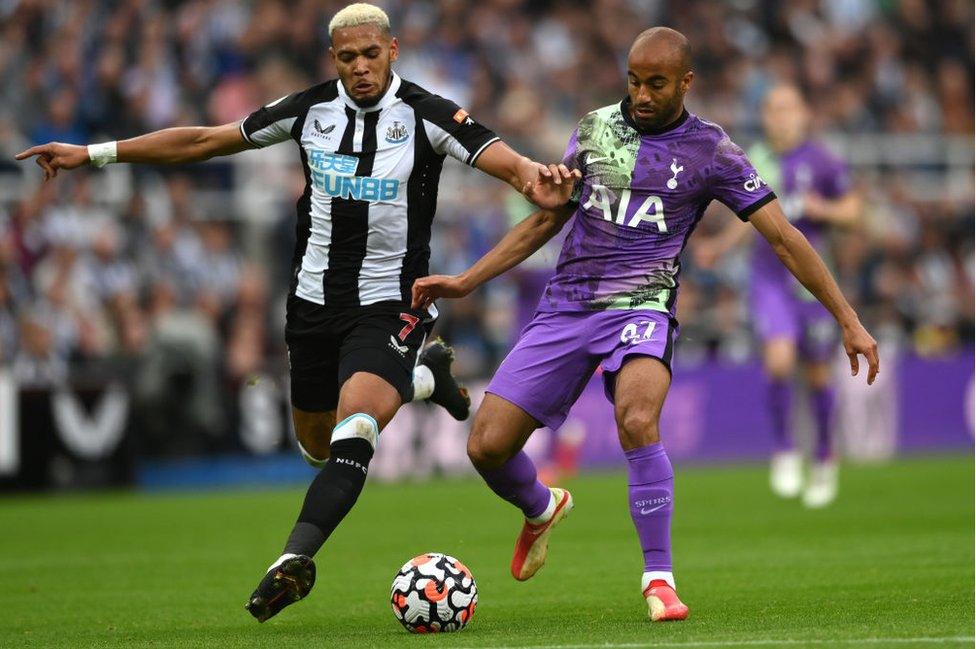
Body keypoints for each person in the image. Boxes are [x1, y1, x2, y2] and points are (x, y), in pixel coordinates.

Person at [15, 2, 578, 623]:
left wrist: (533, 177)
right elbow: (205, 140)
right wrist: (93, 153)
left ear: (393, 51)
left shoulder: (429, 115)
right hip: (312, 306)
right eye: (347, 57)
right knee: (316, 444)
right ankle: (426, 378)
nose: (360, 68)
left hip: (393, 302)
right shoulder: (309, 110)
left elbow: (506, 159)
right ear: (331, 58)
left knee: (355, 430)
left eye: (370, 54)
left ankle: (294, 559)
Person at [412, 27, 879, 622]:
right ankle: (540, 506)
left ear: (686, 82)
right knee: (486, 446)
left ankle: (658, 578)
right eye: (633, 80)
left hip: (643, 307)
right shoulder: (594, 128)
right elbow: (545, 220)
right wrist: (466, 281)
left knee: (637, 418)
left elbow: (785, 239)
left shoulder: (712, 151)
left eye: (656, 83)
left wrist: (848, 318)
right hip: (567, 307)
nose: (641, 94)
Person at [693, 84, 861, 508]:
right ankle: (785, 448)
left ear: (804, 114)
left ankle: (824, 454)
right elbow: (747, 217)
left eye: (787, 108)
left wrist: (825, 210)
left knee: (819, 371)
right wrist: (719, 247)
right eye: (771, 109)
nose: (779, 116)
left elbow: (855, 211)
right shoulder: (757, 159)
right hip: (768, 277)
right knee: (779, 358)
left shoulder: (824, 160)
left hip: (811, 282)